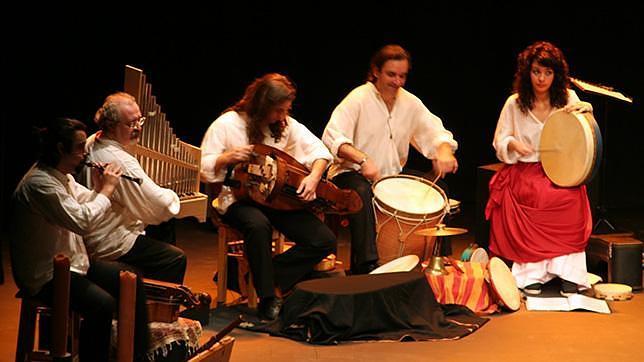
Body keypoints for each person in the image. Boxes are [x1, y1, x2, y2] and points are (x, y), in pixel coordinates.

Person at [10, 117, 150, 361]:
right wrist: (107, 190)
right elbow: (82, 221)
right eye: (78, 148)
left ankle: (138, 356)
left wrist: (98, 188)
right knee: (102, 304)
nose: (84, 154)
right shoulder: (39, 185)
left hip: (72, 265)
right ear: (60, 149)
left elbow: (84, 204)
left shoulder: (62, 177)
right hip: (46, 276)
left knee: (132, 279)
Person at [200, 73, 336, 320]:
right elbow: (203, 168)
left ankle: (263, 276)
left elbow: (320, 152)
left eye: (286, 110)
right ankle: (268, 297)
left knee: (323, 240)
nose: (283, 117)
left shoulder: (284, 126)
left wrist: (314, 176)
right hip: (236, 200)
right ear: (262, 106)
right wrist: (226, 158)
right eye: (277, 111)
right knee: (257, 224)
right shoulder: (228, 124)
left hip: (275, 200)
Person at [322, 44, 458, 274]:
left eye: (402, 76)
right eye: (391, 75)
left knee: (438, 190)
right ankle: (366, 266)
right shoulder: (358, 98)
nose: (398, 82)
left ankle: (438, 259)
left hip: (389, 177)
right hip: (349, 175)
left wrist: (444, 151)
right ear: (375, 71)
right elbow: (332, 137)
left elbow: (435, 132)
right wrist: (363, 159)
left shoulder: (410, 103)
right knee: (362, 192)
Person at [485, 41, 594, 297]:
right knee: (540, 194)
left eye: (548, 72)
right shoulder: (515, 103)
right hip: (526, 170)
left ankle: (569, 274)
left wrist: (587, 110)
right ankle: (531, 275)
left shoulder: (567, 98)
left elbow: (585, 125)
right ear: (527, 73)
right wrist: (512, 143)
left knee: (570, 197)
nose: (542, 78)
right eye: (536, 72)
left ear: (556, 74)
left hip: (561, 170)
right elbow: (499, 140)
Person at [83, 92, 187, 284]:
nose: (138, 128)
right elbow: (161, 204)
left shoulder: (93, 139)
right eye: (131, 124)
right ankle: (150, 310)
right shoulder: (120, 160)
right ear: (111, 126)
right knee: (175, 258)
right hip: (109, 239)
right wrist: (174, 195)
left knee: (163, 226)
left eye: (140, 121)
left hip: (96, 230)